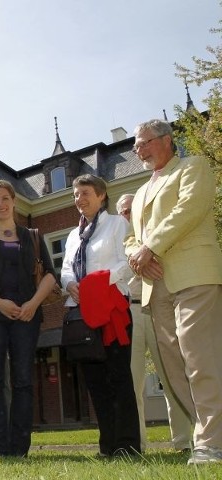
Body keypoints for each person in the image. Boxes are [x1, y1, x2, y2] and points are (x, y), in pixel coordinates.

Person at [125, 119, 222, 465]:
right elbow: (131, 240)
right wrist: (139, 257)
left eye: (144, 142)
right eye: (136, 146)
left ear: (166, 140)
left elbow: (188, 209)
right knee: (175, 367)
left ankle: (212, 441)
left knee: (200, 358)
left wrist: (149, 247)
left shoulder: (192, 167)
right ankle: (206, 433)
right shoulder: (138, 194)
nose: (138, 150)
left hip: (193, 275)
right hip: (156, 286)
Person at [0, 180, 56, 457]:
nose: (1, 204)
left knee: (23, 381)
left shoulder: (32, 236)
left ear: (14, 201)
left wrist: (32, 304)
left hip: (26, 317)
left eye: (5, 198)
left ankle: (20, 447)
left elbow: (50, 275)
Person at [61, 174, 139, 457]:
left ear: (101, 196)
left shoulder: (118, 224)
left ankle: (128, 446)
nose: (79, 199)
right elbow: (66, 267)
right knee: (95, 381)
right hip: (81, 313)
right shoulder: (72, 235)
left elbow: (128, 262)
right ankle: (108, 446)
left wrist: (99, 281)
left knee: (118, 378)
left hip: (111, 310)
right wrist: (69, 283)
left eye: (85, 193)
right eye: (75, 194)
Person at [116, 194, 192, 453]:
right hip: (131, 313)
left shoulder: (154, 234)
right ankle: (138, 445)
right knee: (134, 383)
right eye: (123, 211)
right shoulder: (120, 242)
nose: (127, 214)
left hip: (159, 308)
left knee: (172, 377)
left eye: (130, 210)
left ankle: (184, 442)